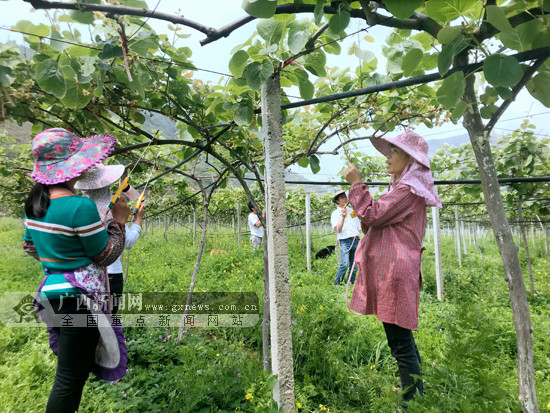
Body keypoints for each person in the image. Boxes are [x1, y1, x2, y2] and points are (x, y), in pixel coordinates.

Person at [22, 128, 131, 413]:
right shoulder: (79, 206)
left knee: (73, 372)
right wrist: (117, 222)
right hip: (78, 299)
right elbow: (106, 255)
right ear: (71, 168)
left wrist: (61, 258)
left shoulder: (34, 206)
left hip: (51, 293)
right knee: (69, 378)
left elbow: (31, 247)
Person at [343, 130, 441, 404]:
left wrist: (357, 184)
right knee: (402, 339)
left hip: (395, 273)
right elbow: (376, 219)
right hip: (392, 271)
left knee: (400, 342)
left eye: (393, 151)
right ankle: (416, 392)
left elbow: (373, 214)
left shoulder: (408, 190)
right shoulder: (402, 188)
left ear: (410, 159)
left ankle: (413, 402)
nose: (387, 156)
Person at [75, 164, 145, 314]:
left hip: (81, 275)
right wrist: (138, 220)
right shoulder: (113, 210)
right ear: (106, 182)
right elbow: (128, 241)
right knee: (106, 322)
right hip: (110, 275)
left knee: (85, 323)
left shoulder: (78, 207)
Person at [330, 189, 361, 285]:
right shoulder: (335, 214)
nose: (344, 199)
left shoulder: (352, 211)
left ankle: (350, 284)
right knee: (344, 264)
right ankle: (337, 284)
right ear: (337, 201)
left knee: (354, 265)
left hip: (355, 240)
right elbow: (338, 230)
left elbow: (357, 224)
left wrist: (359, 228)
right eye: (342, 197)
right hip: (344, 241)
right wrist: (342, 218)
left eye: (345, 196)